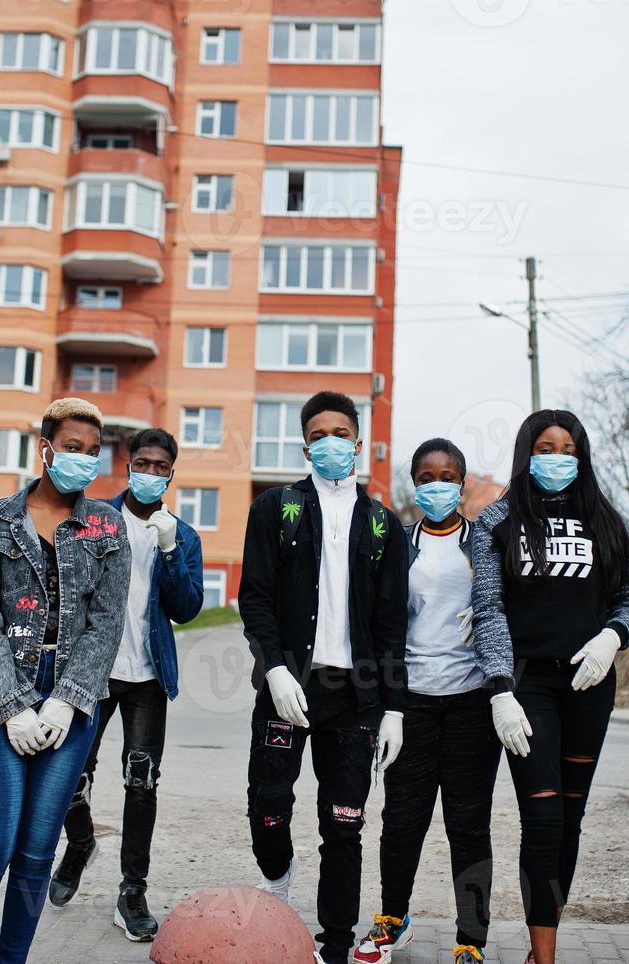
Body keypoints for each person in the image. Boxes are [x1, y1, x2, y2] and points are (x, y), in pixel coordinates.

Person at [0, 398, 132, 964]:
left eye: (93, 452)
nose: (83, 460)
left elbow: (106, 623)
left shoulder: (107, 524)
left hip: (70, 708)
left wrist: (67, 701)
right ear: (46, 448)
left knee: (35, 852)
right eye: (72, 448)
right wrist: (13, 704)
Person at [239, 390, 409, 964]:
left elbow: (391, 626)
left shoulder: (383, 524)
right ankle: (277, 875)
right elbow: (255, 599)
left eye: (341, 433)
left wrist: (393, 707)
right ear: (304, 445)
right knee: (269, 803)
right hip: (287, 689)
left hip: (355, 695)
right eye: (319, 435)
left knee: (344, 825)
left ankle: (334, 944)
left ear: (358, 442)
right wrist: (275, 669)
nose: (331, 443)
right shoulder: (275, 509)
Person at [470, 409, 629, 964]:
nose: (558, 457)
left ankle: (546, 938)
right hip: (527, 684)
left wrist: (612, 638)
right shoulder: (495, 522)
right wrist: (500, 689)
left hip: (591, 681)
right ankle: (542, 958)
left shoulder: (608, 523)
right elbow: (489, 609)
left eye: (569, 449)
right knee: (541, 816)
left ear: (582, 456)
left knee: (570, 817)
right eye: (546, 447)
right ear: (527, 453)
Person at [49, 427, 205, 940]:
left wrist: (168, 552)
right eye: (143, 463)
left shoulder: (182, 535)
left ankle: (132, 891)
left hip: (148, 676)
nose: (151, 473)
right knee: (69, 774)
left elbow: (186, 609)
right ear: (128, 466)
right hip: (93, 670)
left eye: (161, 466)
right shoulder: (95, 521)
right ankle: (79, 844)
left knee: (142, 783)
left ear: (172, 474)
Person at [354, 439, 503, 964]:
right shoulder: (396, 542)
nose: (436, 485)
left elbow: (505, 608)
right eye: (426, 476)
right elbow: (382, 625)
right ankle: (393, 920)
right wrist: (385, 704)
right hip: (410, 703)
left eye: (447, 476)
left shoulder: (484, 543)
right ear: (414, 483)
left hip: (472, 703)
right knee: (401, 821)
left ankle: (471, 939)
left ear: (462, 484)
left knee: (468, 825)